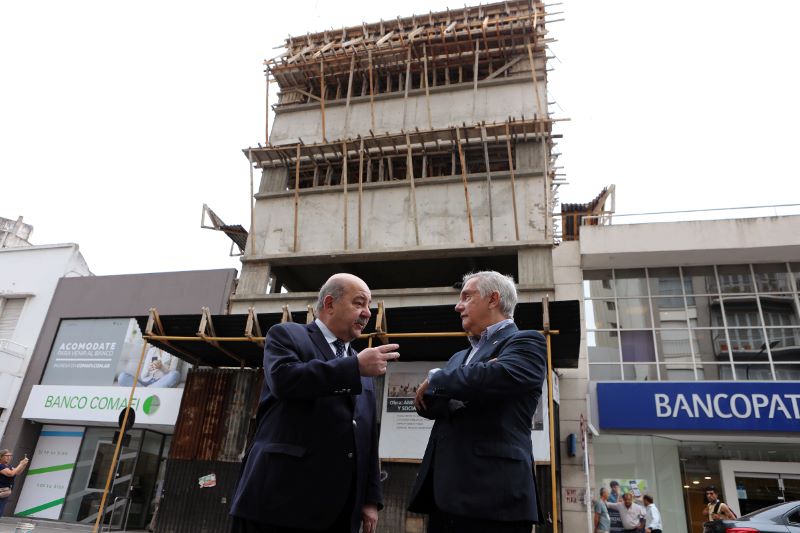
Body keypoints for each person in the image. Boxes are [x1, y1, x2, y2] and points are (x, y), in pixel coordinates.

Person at [229, 273, 400, 533]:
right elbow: (284, 380)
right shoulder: (288, 335)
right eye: (359, 303)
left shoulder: (360, 362)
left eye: (369, 306)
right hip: (279, 502)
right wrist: (353, 367)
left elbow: (366, 434)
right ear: (329, 304)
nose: (367, 313)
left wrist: (370, 498)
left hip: (341, 511)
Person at [408, 271, 547, 533]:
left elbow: (499, 375)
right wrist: (459, 381)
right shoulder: (459, 357)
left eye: (467, 297)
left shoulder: (527, 341)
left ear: (493, 299)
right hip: (444, 495)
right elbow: (430, 404)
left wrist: (441, 379)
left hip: (494, 497)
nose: (457, 306)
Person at [118, 346, 182, 388]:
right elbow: (143, 376)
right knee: (122, 377)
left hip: (162, 381)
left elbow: (172, 372)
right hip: (147, 381)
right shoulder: (152, 350)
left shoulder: (174, 351)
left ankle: (145, 390)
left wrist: (161, 367)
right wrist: (150, 368)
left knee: (176, 374)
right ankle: (149, 390)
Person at [0, 449, 29, 516]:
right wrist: (21, 464)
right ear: (1, 457)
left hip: (5, 493)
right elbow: (10, 474)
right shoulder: (1, 466)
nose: (9, 457)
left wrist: (23, 464)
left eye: (10, 456)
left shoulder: (8, 466)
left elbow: (18, 472)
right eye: (7, 455)